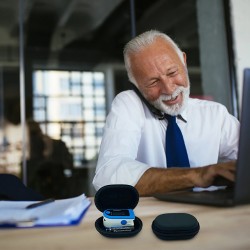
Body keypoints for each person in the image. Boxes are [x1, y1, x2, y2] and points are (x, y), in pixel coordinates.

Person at [92, 30, 239, 196]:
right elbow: (109, 176)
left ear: (183, 61)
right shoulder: (129, 104)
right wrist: (197, 176)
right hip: (153, 219)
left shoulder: (215, 114)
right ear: (136, 84)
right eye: (153, 82)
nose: (169, 89)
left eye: (172, 73)